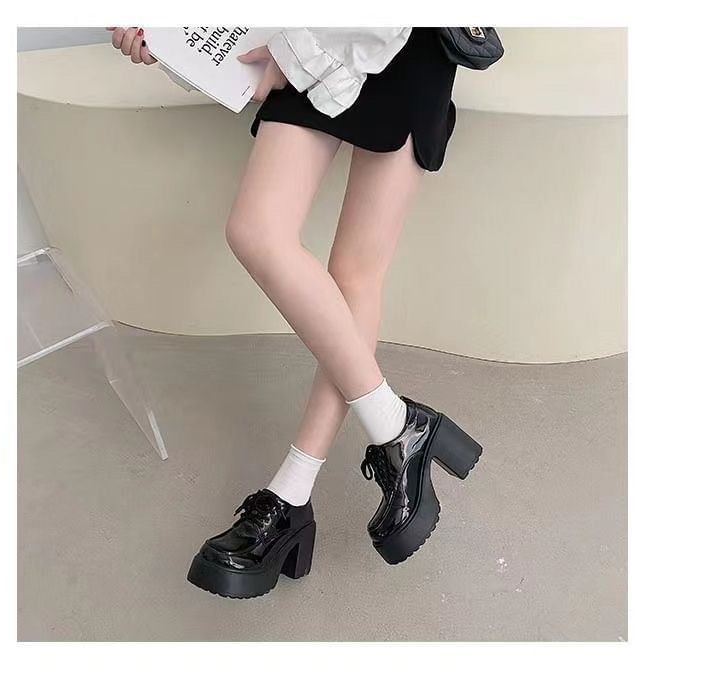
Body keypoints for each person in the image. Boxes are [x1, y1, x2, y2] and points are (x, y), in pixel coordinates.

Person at [108, 26, 483, 598]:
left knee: (355, 273)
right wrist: (161, 32)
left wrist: (296, 52)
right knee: (260, 231)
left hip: (397, 33)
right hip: (302, 28)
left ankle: (292, 494)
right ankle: (397, 425)